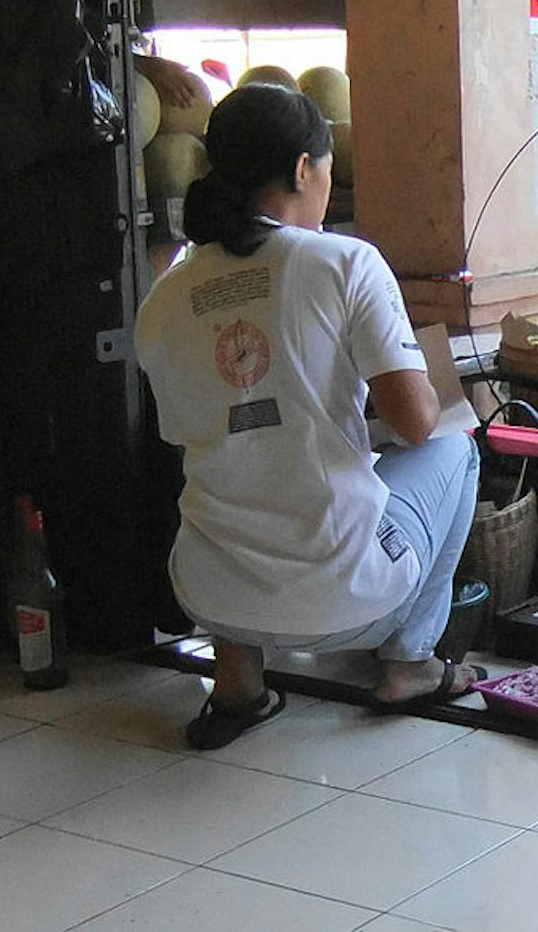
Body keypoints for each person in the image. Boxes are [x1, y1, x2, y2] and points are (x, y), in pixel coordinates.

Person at [135, 84, 480, 750]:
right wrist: (426, 388)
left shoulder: (166, 295)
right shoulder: (344, 262)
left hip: (210, 595)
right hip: (349, 605)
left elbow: (194, 435)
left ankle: (237, 686)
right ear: (303, 169)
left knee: (228, 469)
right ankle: (410, 663)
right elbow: (414, 425)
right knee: (455, 447)